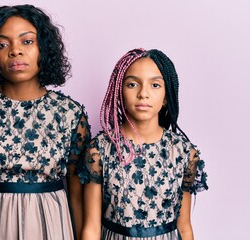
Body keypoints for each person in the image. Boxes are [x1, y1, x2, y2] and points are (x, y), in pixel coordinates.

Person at [0, 4, 90, 240]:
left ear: (44, 48)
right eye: (3, 44)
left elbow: (78, 200)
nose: (15, 51)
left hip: (52, 229)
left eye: (27, 41)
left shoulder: (70, 114)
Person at [80, 48, 208, 240]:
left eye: (155, 85)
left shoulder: (183, 153)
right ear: (119, 91)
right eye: (132, 84)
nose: (143, 94)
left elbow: (185, 227)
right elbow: (91, 228)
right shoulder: (99, 151)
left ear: (166, 96)